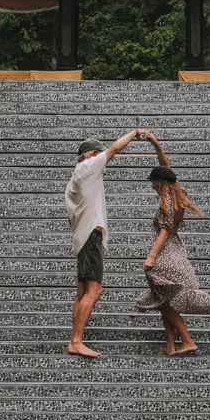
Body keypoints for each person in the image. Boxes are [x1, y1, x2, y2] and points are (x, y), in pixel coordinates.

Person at [136, 134, 210, 355]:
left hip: (166, 254)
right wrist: (155, 143)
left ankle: (187, 340)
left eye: (154, 183)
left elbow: (164, 232)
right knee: (165, 301)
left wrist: (151, 256)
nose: (153, 187)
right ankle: (171, 345)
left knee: (164, 301)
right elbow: (166, 167)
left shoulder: (169, 201)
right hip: (175, 252)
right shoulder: (176, 192)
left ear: (161, 183)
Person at [65, 129, 144, 357]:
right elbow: (115, 149)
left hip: (84, 238)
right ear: (91, 155)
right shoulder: (89, 168)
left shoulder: (76, 177)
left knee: (82, 292)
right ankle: (76, 340)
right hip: (91, 236)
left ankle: (75, 338)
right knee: (94, 290)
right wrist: (134, 133)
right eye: (98, 154)